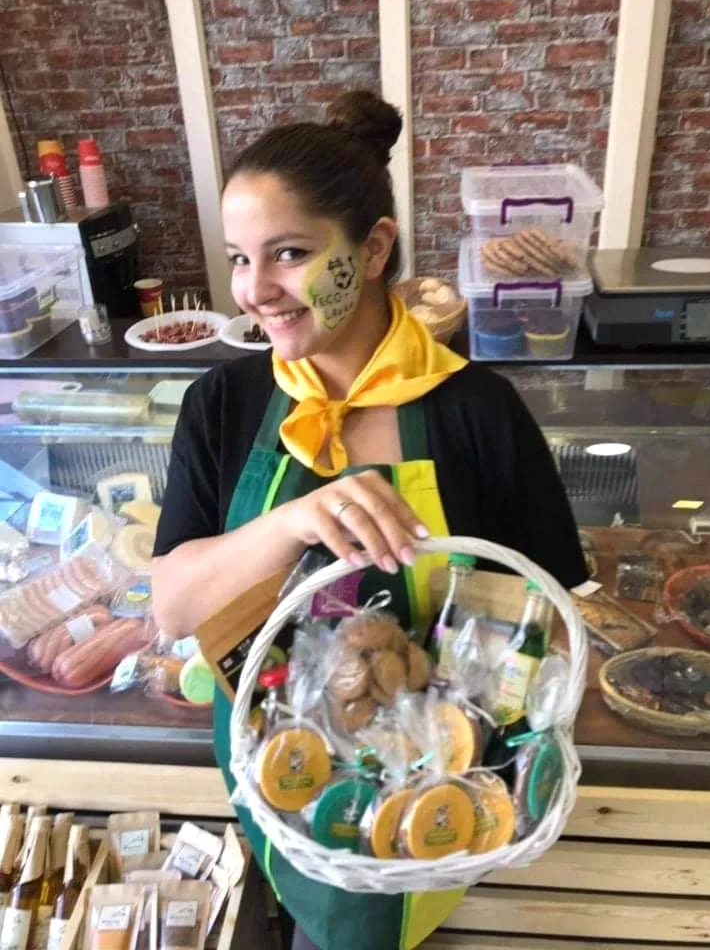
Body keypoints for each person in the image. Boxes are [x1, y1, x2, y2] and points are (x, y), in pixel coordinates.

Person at [152, 89, 587, 950]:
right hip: (278, 781)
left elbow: (553, 620)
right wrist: (292, 521)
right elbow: (171, 607)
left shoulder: (476, 411)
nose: (256, 291)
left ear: (375, 246)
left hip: (435, 793)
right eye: (240, 259)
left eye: (289, 253)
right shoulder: (225, 403)